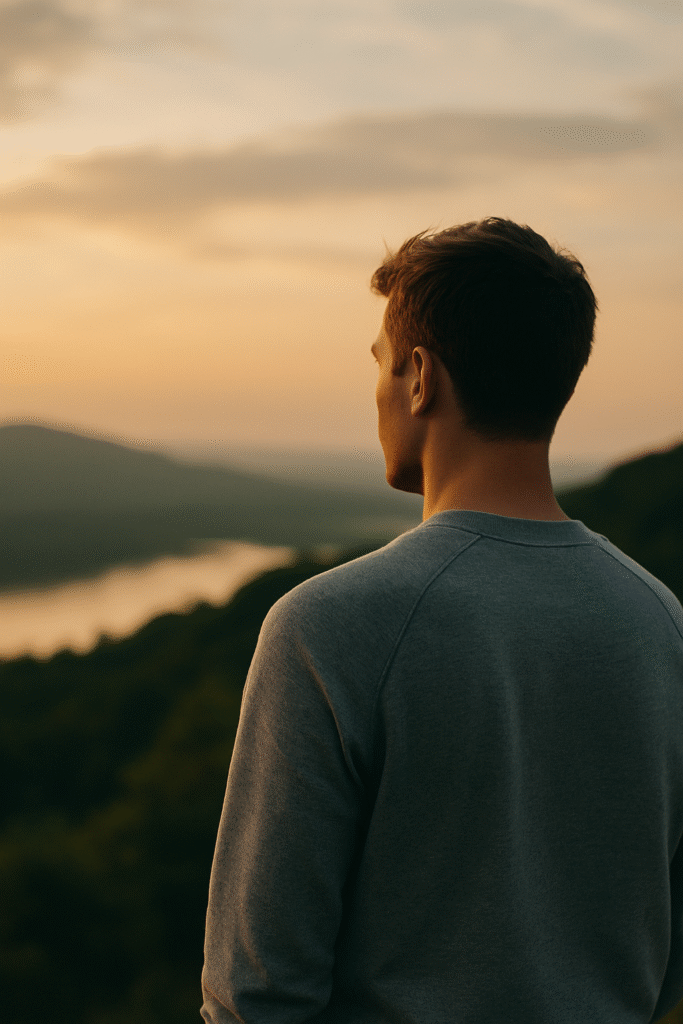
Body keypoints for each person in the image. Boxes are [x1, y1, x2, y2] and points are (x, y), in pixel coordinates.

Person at [201, 217, 683, 1023]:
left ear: (420, 376)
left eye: (383, 366)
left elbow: (257, 993)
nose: (381, 392)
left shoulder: (329, 627)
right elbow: (662, 967)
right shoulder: (662, 623)